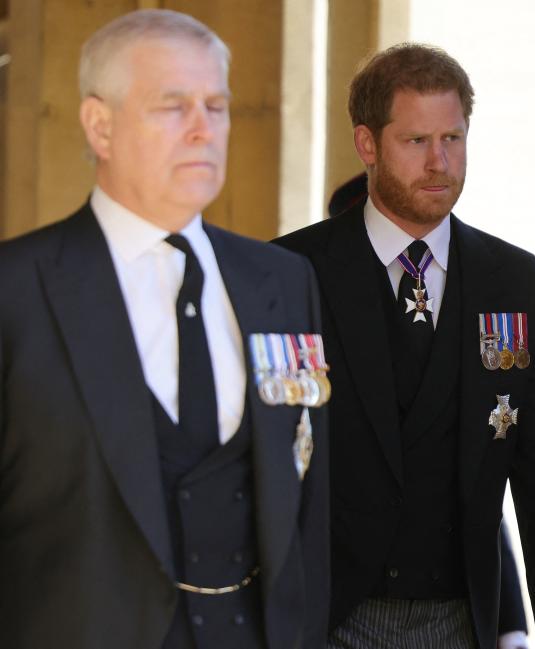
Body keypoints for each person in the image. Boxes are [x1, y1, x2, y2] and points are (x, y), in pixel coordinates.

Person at [0, 10, 329, 649]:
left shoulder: (283, 283)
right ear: (100, 125)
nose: (204, 129)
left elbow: (309, 499)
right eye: (172, 106)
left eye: (218, 105)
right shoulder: (16, 290)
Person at [275, 43, 535, 649]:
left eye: (453, 138)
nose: (439, 161)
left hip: (464, 617)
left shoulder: (517, 280)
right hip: (324, 616)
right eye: (417, 141)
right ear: (367, 144)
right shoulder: (290, 273)